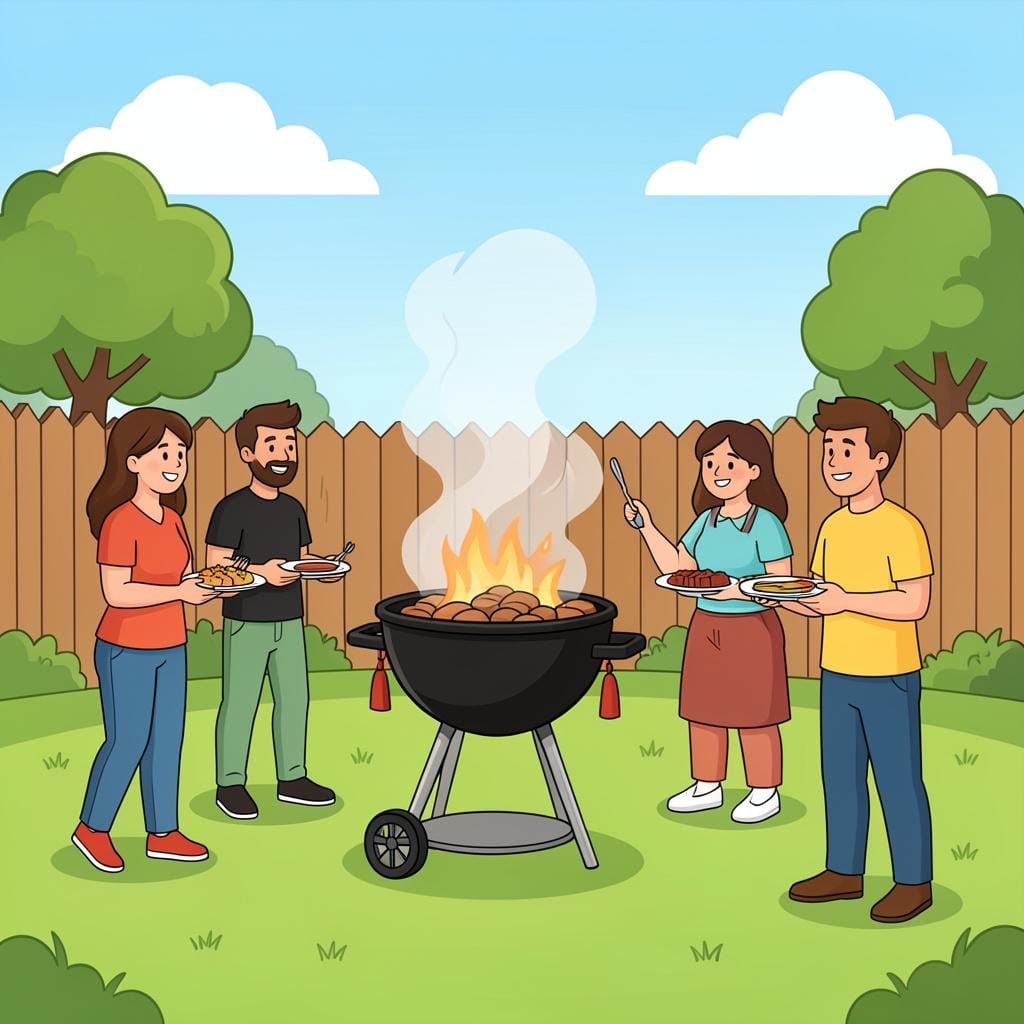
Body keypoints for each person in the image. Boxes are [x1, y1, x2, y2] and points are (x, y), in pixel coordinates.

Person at [766, 396, 934, 924]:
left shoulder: (901, 527)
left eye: (847, 449)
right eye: (828, 450)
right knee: (839, 775)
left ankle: (913, 880)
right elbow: (821, 596)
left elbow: (915, 603)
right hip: (837, 673)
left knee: (897, 777)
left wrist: (846, 600)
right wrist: (780, 596)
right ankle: (844, 870)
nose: (834, 461)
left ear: (879, 460)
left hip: (888, 675)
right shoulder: (832, 528)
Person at [625, 421, 793, 824]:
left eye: (730, 462)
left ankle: (764, 790)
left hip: (753, 628)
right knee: (703, 709)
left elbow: (780, 585)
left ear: (755, 470)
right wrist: (646, 527)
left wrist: (735, 590)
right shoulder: (707, 521)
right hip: (707, 625)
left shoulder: (765, 523)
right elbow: (680, 568)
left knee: (756, 713)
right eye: (710, 462)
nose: (718, 471)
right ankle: (706, 785)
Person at [73, 409, 216, 874]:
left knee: (166, 741)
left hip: (171, 645)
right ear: (132, 461)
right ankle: (91, 829)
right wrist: (179, 590)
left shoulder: (173, 519)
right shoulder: (120, 521)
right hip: (125, 648)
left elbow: (180, 578)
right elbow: (116, 592)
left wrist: (208, 585)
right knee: (128, 738)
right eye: (163, 452)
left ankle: (163, 832)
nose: (175, 461)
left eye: (180, 452)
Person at [206, 401, 340, 820]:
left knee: (295, 699)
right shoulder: (232, 508)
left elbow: (300, 560)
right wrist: (260, 572)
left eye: (289, 444)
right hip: (246, 622)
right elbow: (216, 565)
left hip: (290, 620)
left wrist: (324, 569)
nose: (283, 454)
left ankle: (293, 778)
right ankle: (230, 784)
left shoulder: (293, 509)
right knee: (240, 702)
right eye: (272, 444)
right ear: (248, 454)